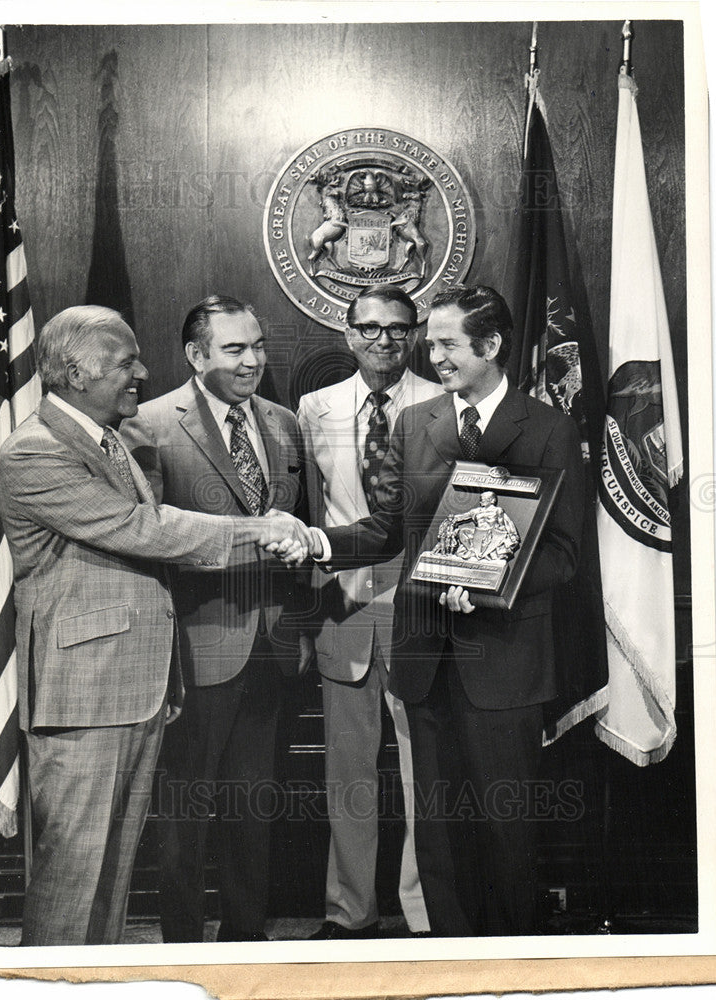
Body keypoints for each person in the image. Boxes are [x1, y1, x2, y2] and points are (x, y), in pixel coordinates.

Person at [0, 305, 307, 947]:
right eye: (123, 363)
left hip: (131, 689)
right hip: (85, 695)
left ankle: (91, 987)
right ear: (77, 374)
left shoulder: (105, 436)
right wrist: (262, 528)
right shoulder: (36, 451)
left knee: (108, 879)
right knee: (73, 879)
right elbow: (143, 528)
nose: (140, 372)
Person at [303, 285, 585, 937]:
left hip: (505, 670)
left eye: (447, 344)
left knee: (504, 840)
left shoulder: (547, 429)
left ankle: (508, 973)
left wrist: (489, 583)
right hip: (425, 665)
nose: (431, 354)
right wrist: (319, 541)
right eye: (430, 343)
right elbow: (386, 530)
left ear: (490, 347)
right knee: (439, 845)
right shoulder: (416, 423)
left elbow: (566, 556)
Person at [121, 295, 310, 943]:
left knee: (252, 809)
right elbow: (147, 540)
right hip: (192, 657)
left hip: (273, 652)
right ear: (196, 356)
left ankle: (245, 943)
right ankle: (182, 948)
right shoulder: (147, 425)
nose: (253, 359)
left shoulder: (284, 424)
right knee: (185, 814)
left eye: (257, 345)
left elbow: (296, 531)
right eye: (235, 349)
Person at [296, 285, 439, 939]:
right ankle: (349, 911)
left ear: (414, 335)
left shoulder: (443, 405)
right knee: (347, 775)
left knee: (423, 775)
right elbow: (312, 510)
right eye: (370, 328)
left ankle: (423, 912)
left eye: (397, 329)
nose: (383, 340)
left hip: (422, 612)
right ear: (348, 334)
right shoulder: (315, 408)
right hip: (344, 609)